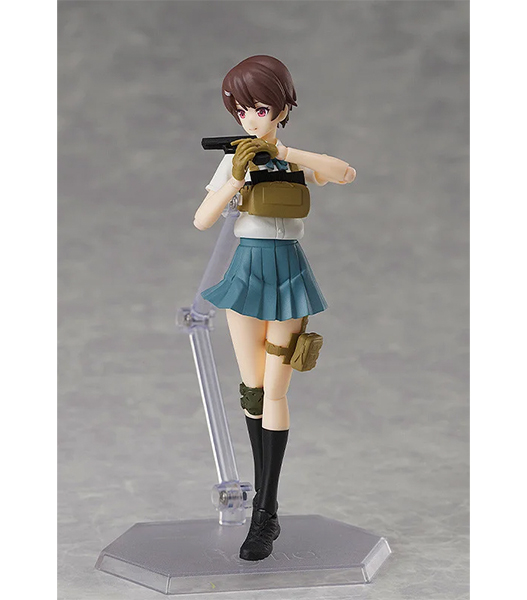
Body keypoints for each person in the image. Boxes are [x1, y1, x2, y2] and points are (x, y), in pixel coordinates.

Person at [194, 55, 356, 561]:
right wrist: (235, 177)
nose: (250, 120)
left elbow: (344, 172)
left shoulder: (293, 158)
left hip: (288, 271)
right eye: (242, 111)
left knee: (278, 388)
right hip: (248, 269)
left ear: (283, 108)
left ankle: (266, 511)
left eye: (260, 109)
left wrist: (282, 151)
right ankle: (263, 507)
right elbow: (202, 219)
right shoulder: (237, 159)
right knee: (254, 390)